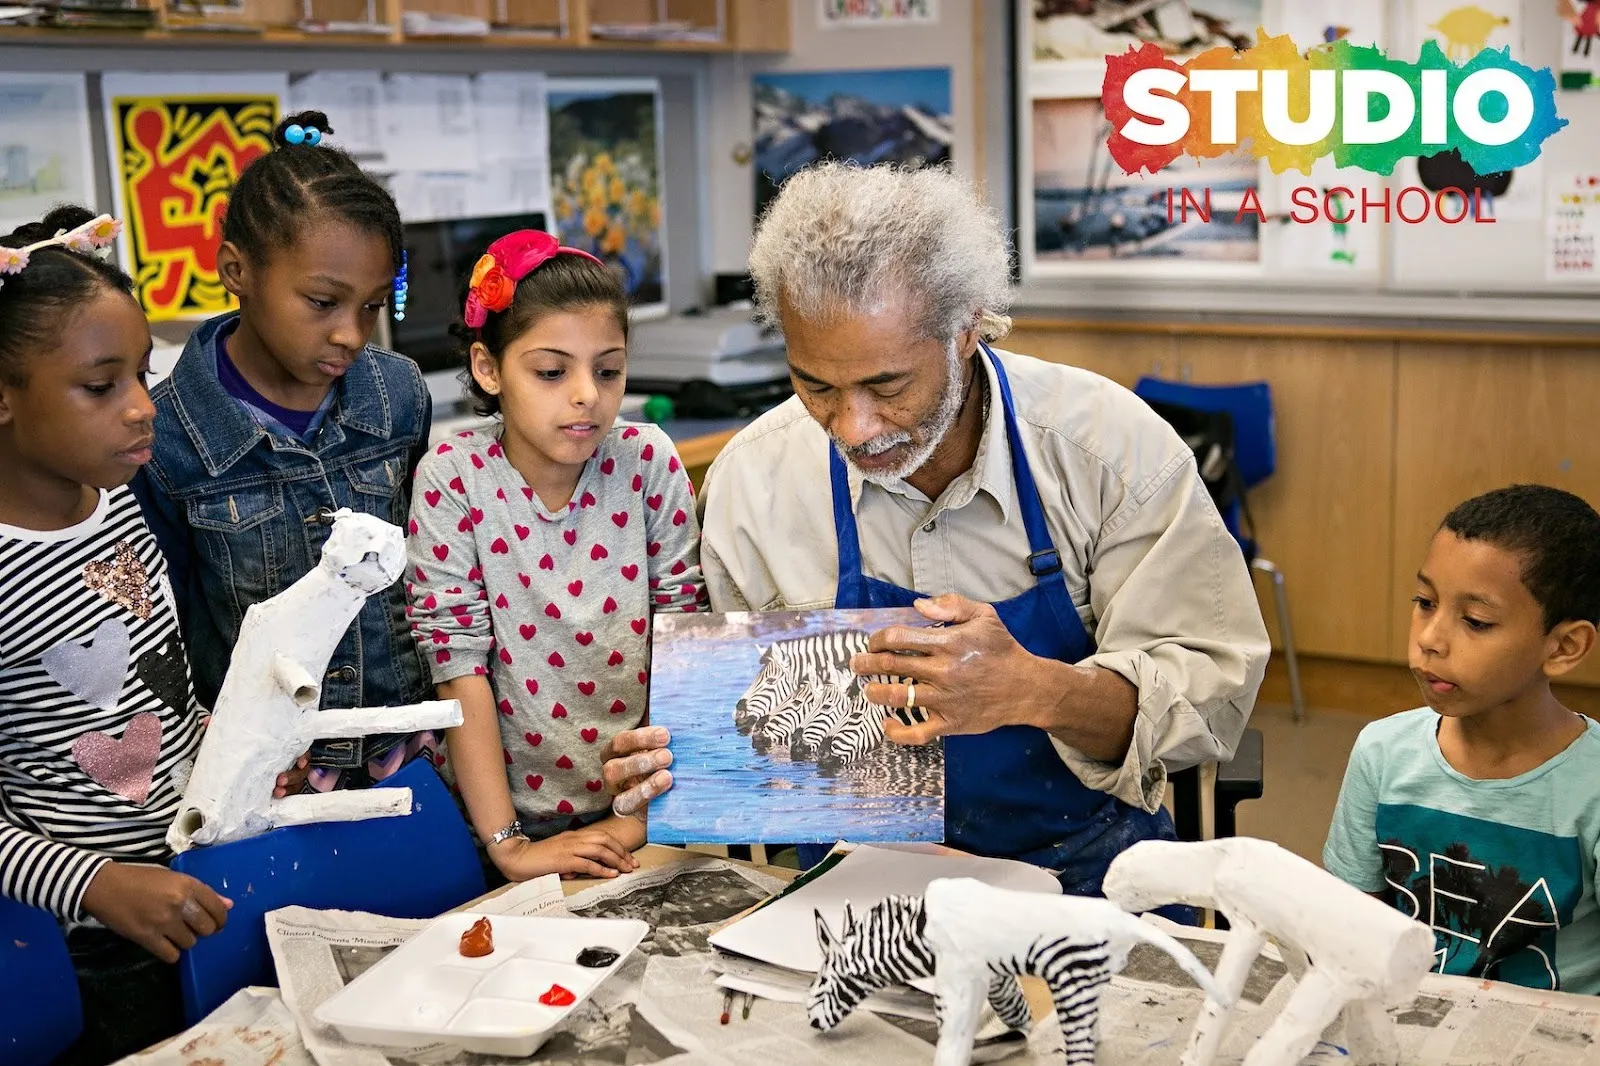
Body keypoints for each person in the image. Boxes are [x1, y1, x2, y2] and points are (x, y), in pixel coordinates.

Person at [602, 162, 1270, 899]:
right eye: (815, 385)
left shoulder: (1109, 451)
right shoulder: (752, 482)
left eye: (887, 385)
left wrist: (1038, 692)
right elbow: (757, 743)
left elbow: (1211, 701)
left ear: (965, 330)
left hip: (1087, 870)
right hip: (850, 882)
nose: (852, 427)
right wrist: (685, 760)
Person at [133, 110, 437, 793]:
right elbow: (172, 638)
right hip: (267, 782)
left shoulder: (399, 395)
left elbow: (428, 578)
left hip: (410, 759)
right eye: (323, 302)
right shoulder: (163, 438)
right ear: (236, 269)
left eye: (369, 306)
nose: (351, 333)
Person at [0, 207, 235, 1063]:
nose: (143, 409)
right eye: (102, 387)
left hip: (194, 876)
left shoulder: (117, 498)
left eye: (143, 374)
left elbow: (154, 683)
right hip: (88, 941)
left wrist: (230, 742)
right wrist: (98, 884)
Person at [407, 229, 705, 885]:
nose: (586, 395)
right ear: (489, 369)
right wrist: (508, 846)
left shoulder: (648, 460)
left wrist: (636, 818)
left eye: (608, 370)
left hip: (647, 818)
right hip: (498, 833)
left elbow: (687, 648)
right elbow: (459, 671)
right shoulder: (454, 476)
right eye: (551, 371)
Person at [1325, 484, 1600, 994]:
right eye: (1425, 602)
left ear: (1564, 647)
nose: (1430, 638)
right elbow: (1349, 925)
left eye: (1476, 621)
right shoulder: (1381, 753)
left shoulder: (1593, 787)